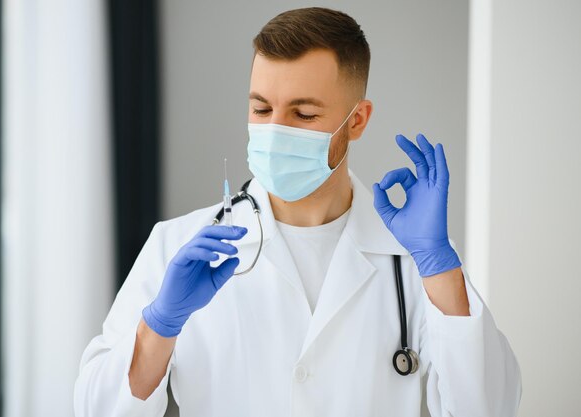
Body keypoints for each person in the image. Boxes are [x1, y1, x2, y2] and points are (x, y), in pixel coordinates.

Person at [74, 7, 521, 417]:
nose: (274, 131)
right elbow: (96, 409)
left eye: (303, 114)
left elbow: (489, 409)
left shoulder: (416, 262)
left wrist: (440, 264)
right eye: (261, 108)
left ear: (357, 121)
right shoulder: (177, 245)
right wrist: (160, 325)